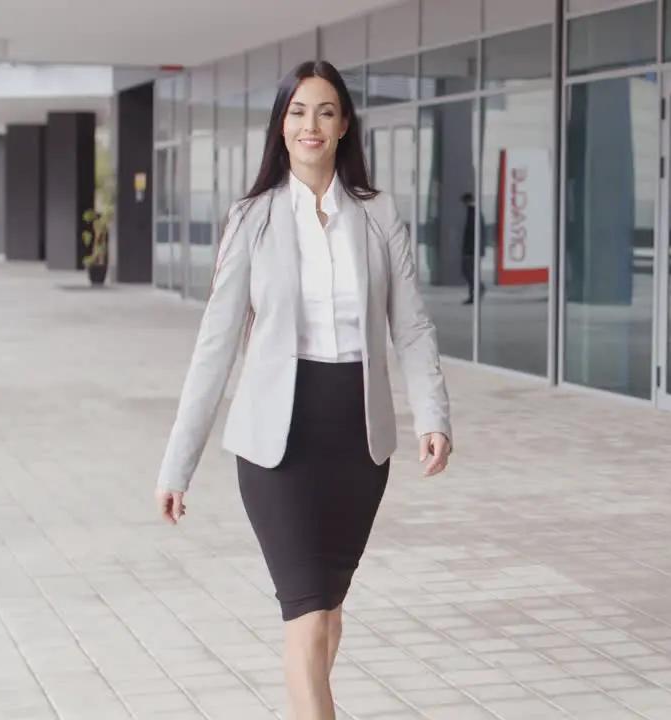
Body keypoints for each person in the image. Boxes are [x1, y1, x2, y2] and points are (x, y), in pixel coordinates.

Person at [154, 61, 453, 720]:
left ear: (344, 125)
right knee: (307, 619)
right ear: (281, 125)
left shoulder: (377, 216)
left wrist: (434, 414)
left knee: (330, 615)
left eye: (324, 111)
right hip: (276, 447)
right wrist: (179, 464)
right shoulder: (252, 218)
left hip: (356, 440)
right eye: (297, 111)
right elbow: (215, 347)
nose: (310, 125)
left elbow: (411, 326)